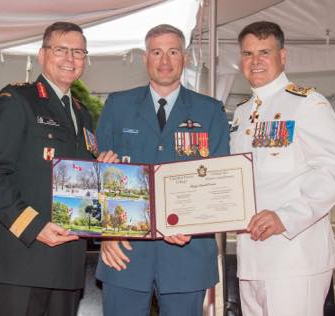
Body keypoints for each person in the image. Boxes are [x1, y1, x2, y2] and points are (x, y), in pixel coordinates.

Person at [0, 21, 117, 316]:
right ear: (42, 55)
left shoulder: (82, 114)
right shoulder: (17, 100)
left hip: (67, 263)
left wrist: (99, 172)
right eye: (61, 50)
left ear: (85, 61)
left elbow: (73, 181)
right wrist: (34, 226)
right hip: (22, 260)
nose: (70, 59)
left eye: (78, 52)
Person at [95, 24, 230, 315]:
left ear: (185, 58)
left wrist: (192, 224)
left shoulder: (211, 111)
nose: (165, 61)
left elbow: (220, 181)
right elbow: (100, 175)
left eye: (173, 52)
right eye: (157, 52)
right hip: (124, 251)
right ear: (145, 59)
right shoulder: (117, 106)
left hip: (187, 253)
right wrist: (107, 234)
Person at [229, 21, 335, 316]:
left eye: (264, 52)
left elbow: (332, 171)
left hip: (294, 255)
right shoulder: (242, 113)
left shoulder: (308, 103)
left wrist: (286, 216)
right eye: (247, 54)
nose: (255, 62)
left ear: (282, 56)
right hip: (251, 257)